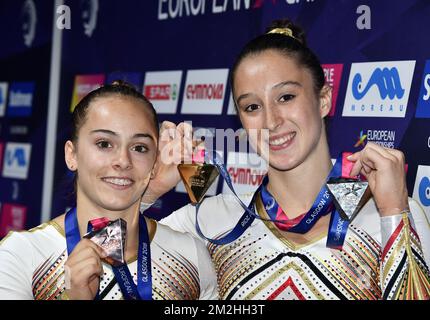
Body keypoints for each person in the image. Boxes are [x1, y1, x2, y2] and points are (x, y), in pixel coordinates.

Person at [149, 19, 430, 300]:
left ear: (323, 100)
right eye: (252, 106)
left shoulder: (390, 214)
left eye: (285, 97)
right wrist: (150, 190)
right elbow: (112, 267)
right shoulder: (212, 222)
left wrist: (394, 212)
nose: (271, 121)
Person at [0, 82, 218, 300]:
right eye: (104, 144)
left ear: (154, 163)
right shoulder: (20, 256)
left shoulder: (191, 256)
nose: (123, 161)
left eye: (140, 148)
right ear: (71, 155)